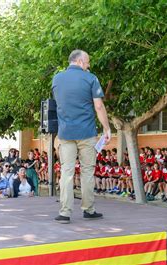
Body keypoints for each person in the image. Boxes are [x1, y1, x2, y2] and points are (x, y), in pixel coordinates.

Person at [52, 50, 111, 224]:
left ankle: (65, 212)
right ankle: (88, 209)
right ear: (79, 61)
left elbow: (59, 105)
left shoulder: (57, 79)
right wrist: (107, 128)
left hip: (65, 133)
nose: (89, 65)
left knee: (67, 172)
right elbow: (99, 106)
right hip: (86, 133)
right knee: (87, 172)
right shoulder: (91, 78)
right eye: (87, 62)